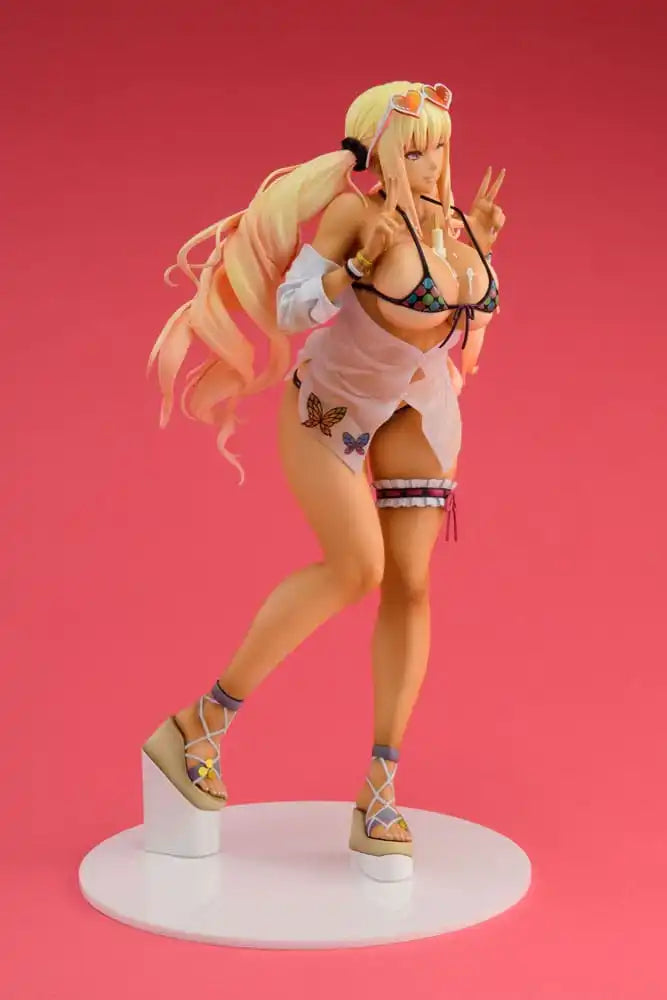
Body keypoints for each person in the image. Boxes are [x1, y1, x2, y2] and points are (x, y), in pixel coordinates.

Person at [143, 79, 506, 880]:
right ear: (378, 153)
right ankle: (199, 724)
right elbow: (290, 307)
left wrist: (476, 247)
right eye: (414, 149)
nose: (431, 163)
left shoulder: (447, 225)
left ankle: (379, 789)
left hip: (419, 410)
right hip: (329, 409)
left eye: (439, 147)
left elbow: (457, 323)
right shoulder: (354, 214)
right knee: (356, 569)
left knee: (410, 585)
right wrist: (347, 274)